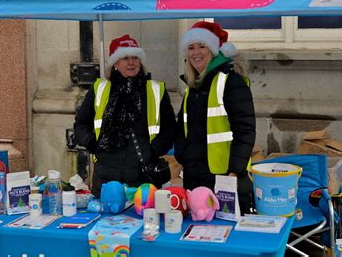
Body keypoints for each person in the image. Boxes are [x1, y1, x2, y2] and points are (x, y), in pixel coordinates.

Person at [74, 34, 176, 198]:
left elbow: (170, 129)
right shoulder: (100, 88)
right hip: (106, 180)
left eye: (135, 57)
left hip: (143, 179)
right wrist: (92, 143)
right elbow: (80, 124)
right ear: (115, 62)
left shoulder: (155, 89)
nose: (131, 62)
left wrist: (153, 150)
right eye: (125, 58)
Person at [174, 21, 256, 214]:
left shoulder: (231, 81)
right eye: (191, 48)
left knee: (227, 237)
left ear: (213, 50)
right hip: (196, 179)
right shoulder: (193, 87)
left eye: (202, 46)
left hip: (225, 179)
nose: (196, 53)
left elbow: (245, 131)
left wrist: (234, 172)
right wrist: (183, 156)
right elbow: (181, 129)